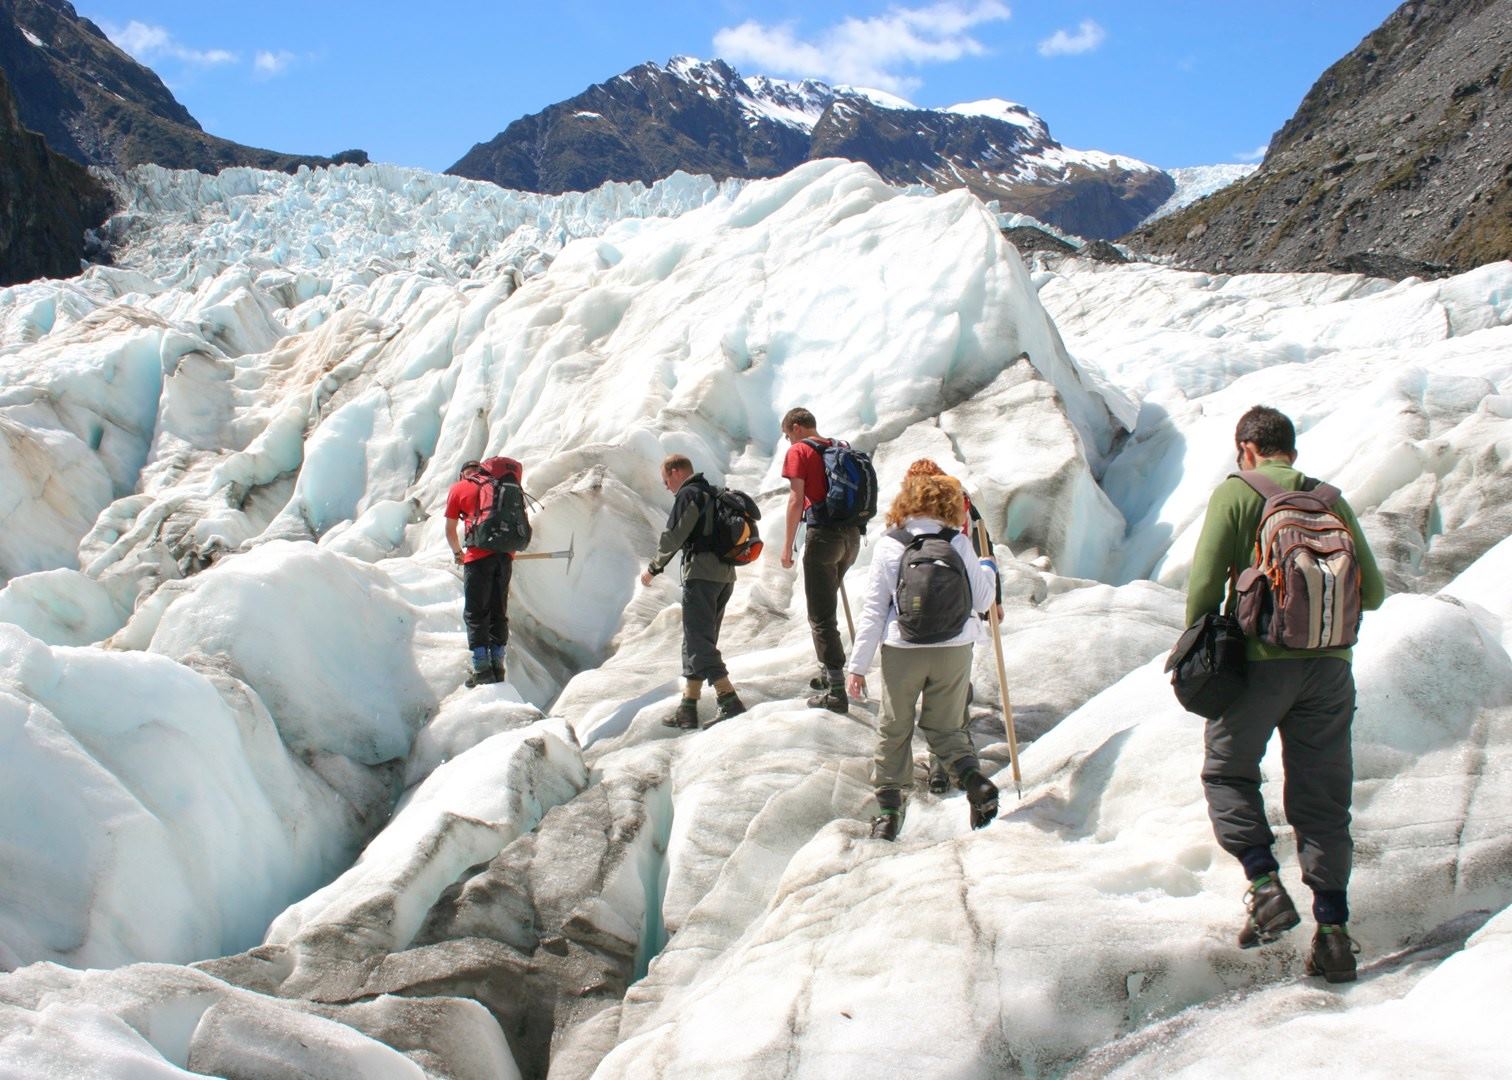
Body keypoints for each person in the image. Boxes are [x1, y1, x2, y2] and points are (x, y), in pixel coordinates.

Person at [1187, 405, 1385, 983]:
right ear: (1291, 452)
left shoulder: (1237, 493)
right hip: (1331, 670)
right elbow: (1372, 592)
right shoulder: (1329, 501)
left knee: (1228, 774)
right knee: (1324, 800)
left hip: (1257, 667)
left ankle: (1265, 885)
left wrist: (1200, 647)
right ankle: (1334, 934)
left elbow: (1203, 586)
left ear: (1246, 450)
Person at [845, 473, 1000, 840]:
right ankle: (974, 781)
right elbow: (983, 601)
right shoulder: (958, 542)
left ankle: (888, 813)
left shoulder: (890, 544)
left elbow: (874, 611)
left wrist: (858, 666)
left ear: (906, 503)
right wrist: (988, 569)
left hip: (904, 649)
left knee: (895, 726)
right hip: (953, 649)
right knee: (946, 727)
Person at [904, 458, 1005, 795]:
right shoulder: (964, 504)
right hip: (961, 601)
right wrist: (994, 598)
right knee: (953, 683)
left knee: (935, 684)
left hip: (922, 606)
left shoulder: (921, 508)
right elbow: (985, 550)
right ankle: (948, 757)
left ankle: (942, 761)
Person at [640, 454, 748, 730]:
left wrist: (653, 568)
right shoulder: (714, 493)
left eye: (666, 480)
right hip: (725, 575)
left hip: (702, 575)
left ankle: (729, 699)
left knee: (699, 643)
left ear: (676, 472)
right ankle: (688, 708)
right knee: (697, 641)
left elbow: (674, 535)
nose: (666, 487)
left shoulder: (690, 494)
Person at [779, 407, 861, 713]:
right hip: (851, 537)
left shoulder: (799, 451)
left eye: (787, 435)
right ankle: (828, 672)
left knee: (821, 615)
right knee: (827, 605)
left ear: (796, 427)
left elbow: (796, 499)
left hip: (824, 537)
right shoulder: (839, 447)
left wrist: (787, 546)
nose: (788, 441)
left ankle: (836, 690)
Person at [445, 460, 514, 687]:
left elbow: (450, 530)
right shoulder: (499, 485)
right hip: (505, 555)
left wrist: (458, 553)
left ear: (462, 474)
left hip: (478, 557)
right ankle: (498, 666)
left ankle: (482, 669)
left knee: (476, 612)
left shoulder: (459, 488)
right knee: (498, 611)